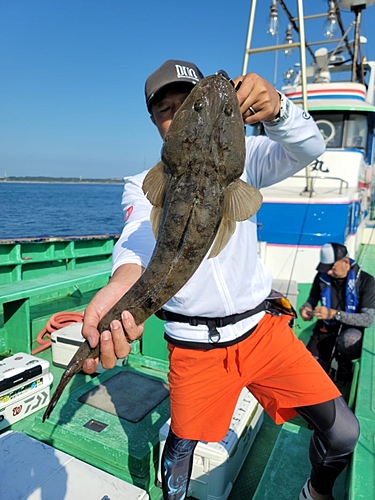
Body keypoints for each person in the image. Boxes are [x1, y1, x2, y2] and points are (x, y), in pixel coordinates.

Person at [82, 59, 359, 500]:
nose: (175, 116)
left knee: (344, 431)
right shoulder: (142, 183)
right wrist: (123, 282)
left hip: (263, 332)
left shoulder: (246, 160)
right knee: (183, 446)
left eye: (186, 104)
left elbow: (308, 146)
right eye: (164, 110)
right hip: (195, 349)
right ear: (154, 120)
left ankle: (315, 491)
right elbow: (136, 241)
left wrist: (280, 110)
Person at [300, 242, 375, 381]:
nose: (328, 272)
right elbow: (312, 298)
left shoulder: (367, 281)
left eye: (332, 268)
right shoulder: (322, 276)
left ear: (345, 262)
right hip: (325, 329)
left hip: (350, 332)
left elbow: (367, 319)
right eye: (325, 269)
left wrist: (334, 314)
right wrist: (306, 308)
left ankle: (345, 365)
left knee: (349, 340)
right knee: (308, 369)